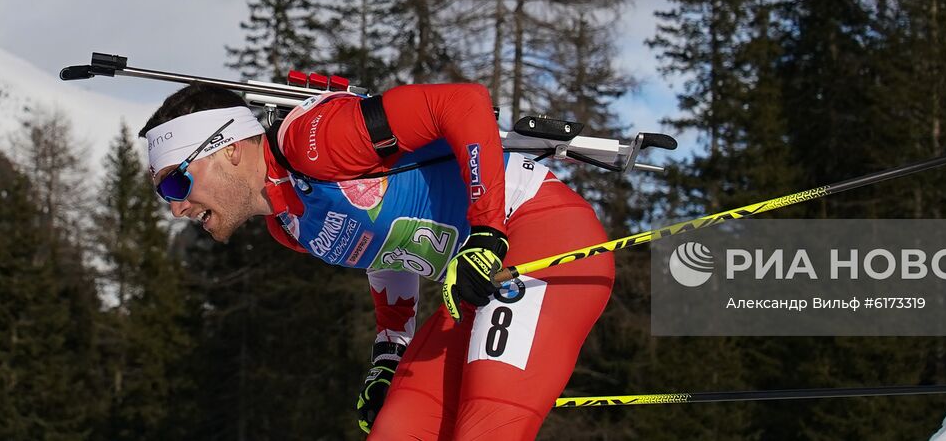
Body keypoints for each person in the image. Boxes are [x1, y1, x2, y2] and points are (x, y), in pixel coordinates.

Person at [139, 81, 615, 440]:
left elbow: (464, 103)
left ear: (231, 151)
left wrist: (488, 232)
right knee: (398, 429)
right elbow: (387, 249)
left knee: (488, 425)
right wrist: (391, 349)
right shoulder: (288, 228)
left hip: (540, 233)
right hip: (483, 280)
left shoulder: (315, 139)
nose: (177, 206)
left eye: (174, 184)